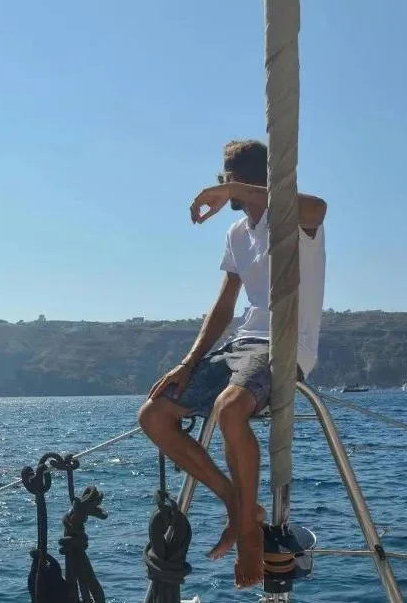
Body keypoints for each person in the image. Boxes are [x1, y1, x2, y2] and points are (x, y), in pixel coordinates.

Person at [136, 139, 327, 590]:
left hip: (285, 345)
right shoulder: (238, 233)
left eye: (228, 180)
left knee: (229, 408)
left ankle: (248, 534)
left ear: (240, 180)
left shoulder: (294, 218)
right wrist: (188, 364)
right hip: (241, 344)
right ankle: (240, 507)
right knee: (154, 415)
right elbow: (224, 307)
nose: (225, 188)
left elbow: (319, 208)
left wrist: (231, 190)